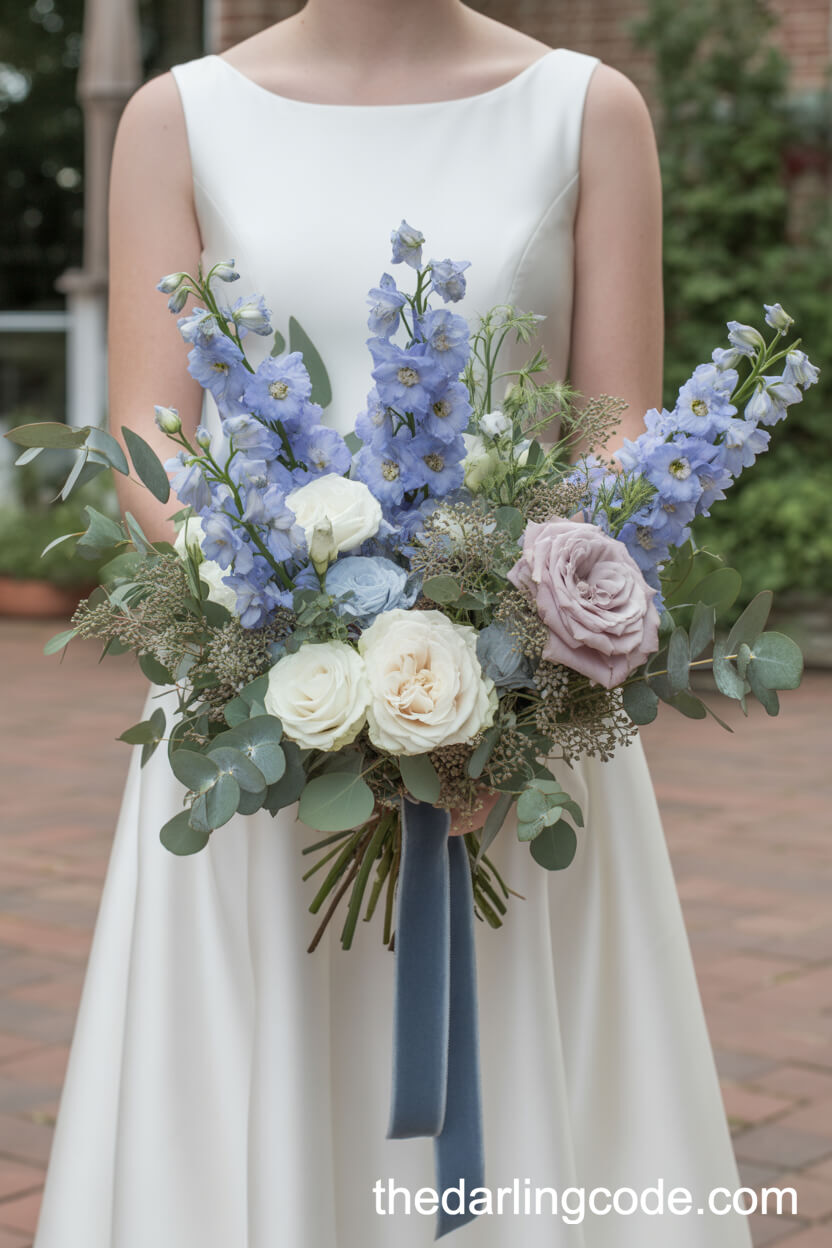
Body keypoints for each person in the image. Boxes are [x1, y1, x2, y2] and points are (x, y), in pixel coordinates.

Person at [33, 2, 753, 1245]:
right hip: (255, 708)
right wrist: (282, 635)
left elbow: (620, 432)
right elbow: (154, 449)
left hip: (522, 712)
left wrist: (497, 653)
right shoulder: (176, 118)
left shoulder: (587, 109)